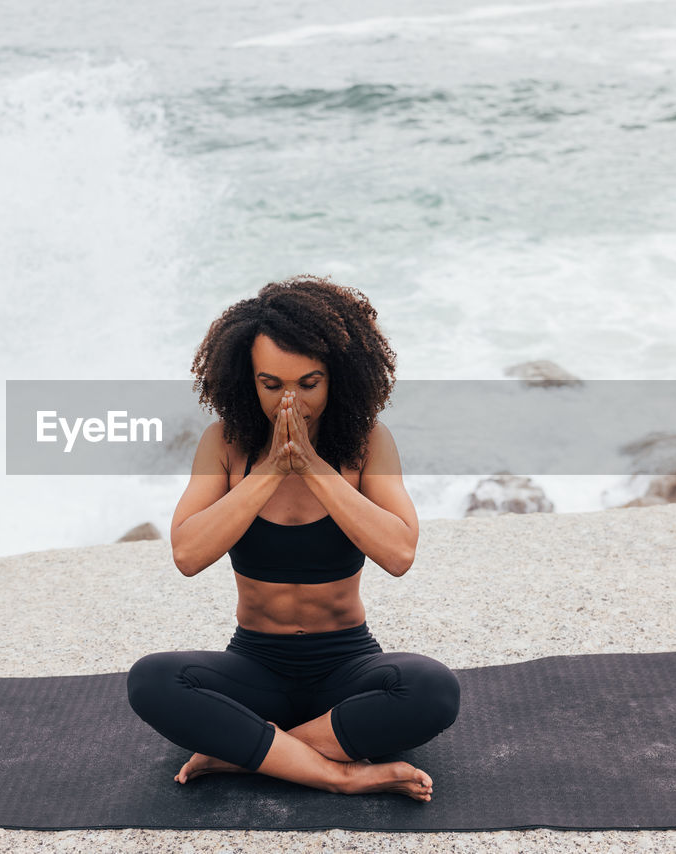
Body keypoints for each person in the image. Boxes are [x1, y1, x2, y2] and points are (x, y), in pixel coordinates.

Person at [127, 274, 460, 801]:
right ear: (246, 380)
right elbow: (188, 554)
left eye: (309, 384)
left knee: (433, 689)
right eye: (271, 384)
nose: (291, 401)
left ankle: (249, 754)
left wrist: (313, 466)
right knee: (151, 679)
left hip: (347, 663)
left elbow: (399, 553)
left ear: (337, 378)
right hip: (255, 667)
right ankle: (335, 771)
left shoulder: (367, 442)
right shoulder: (226, 445)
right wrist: (270, 471)